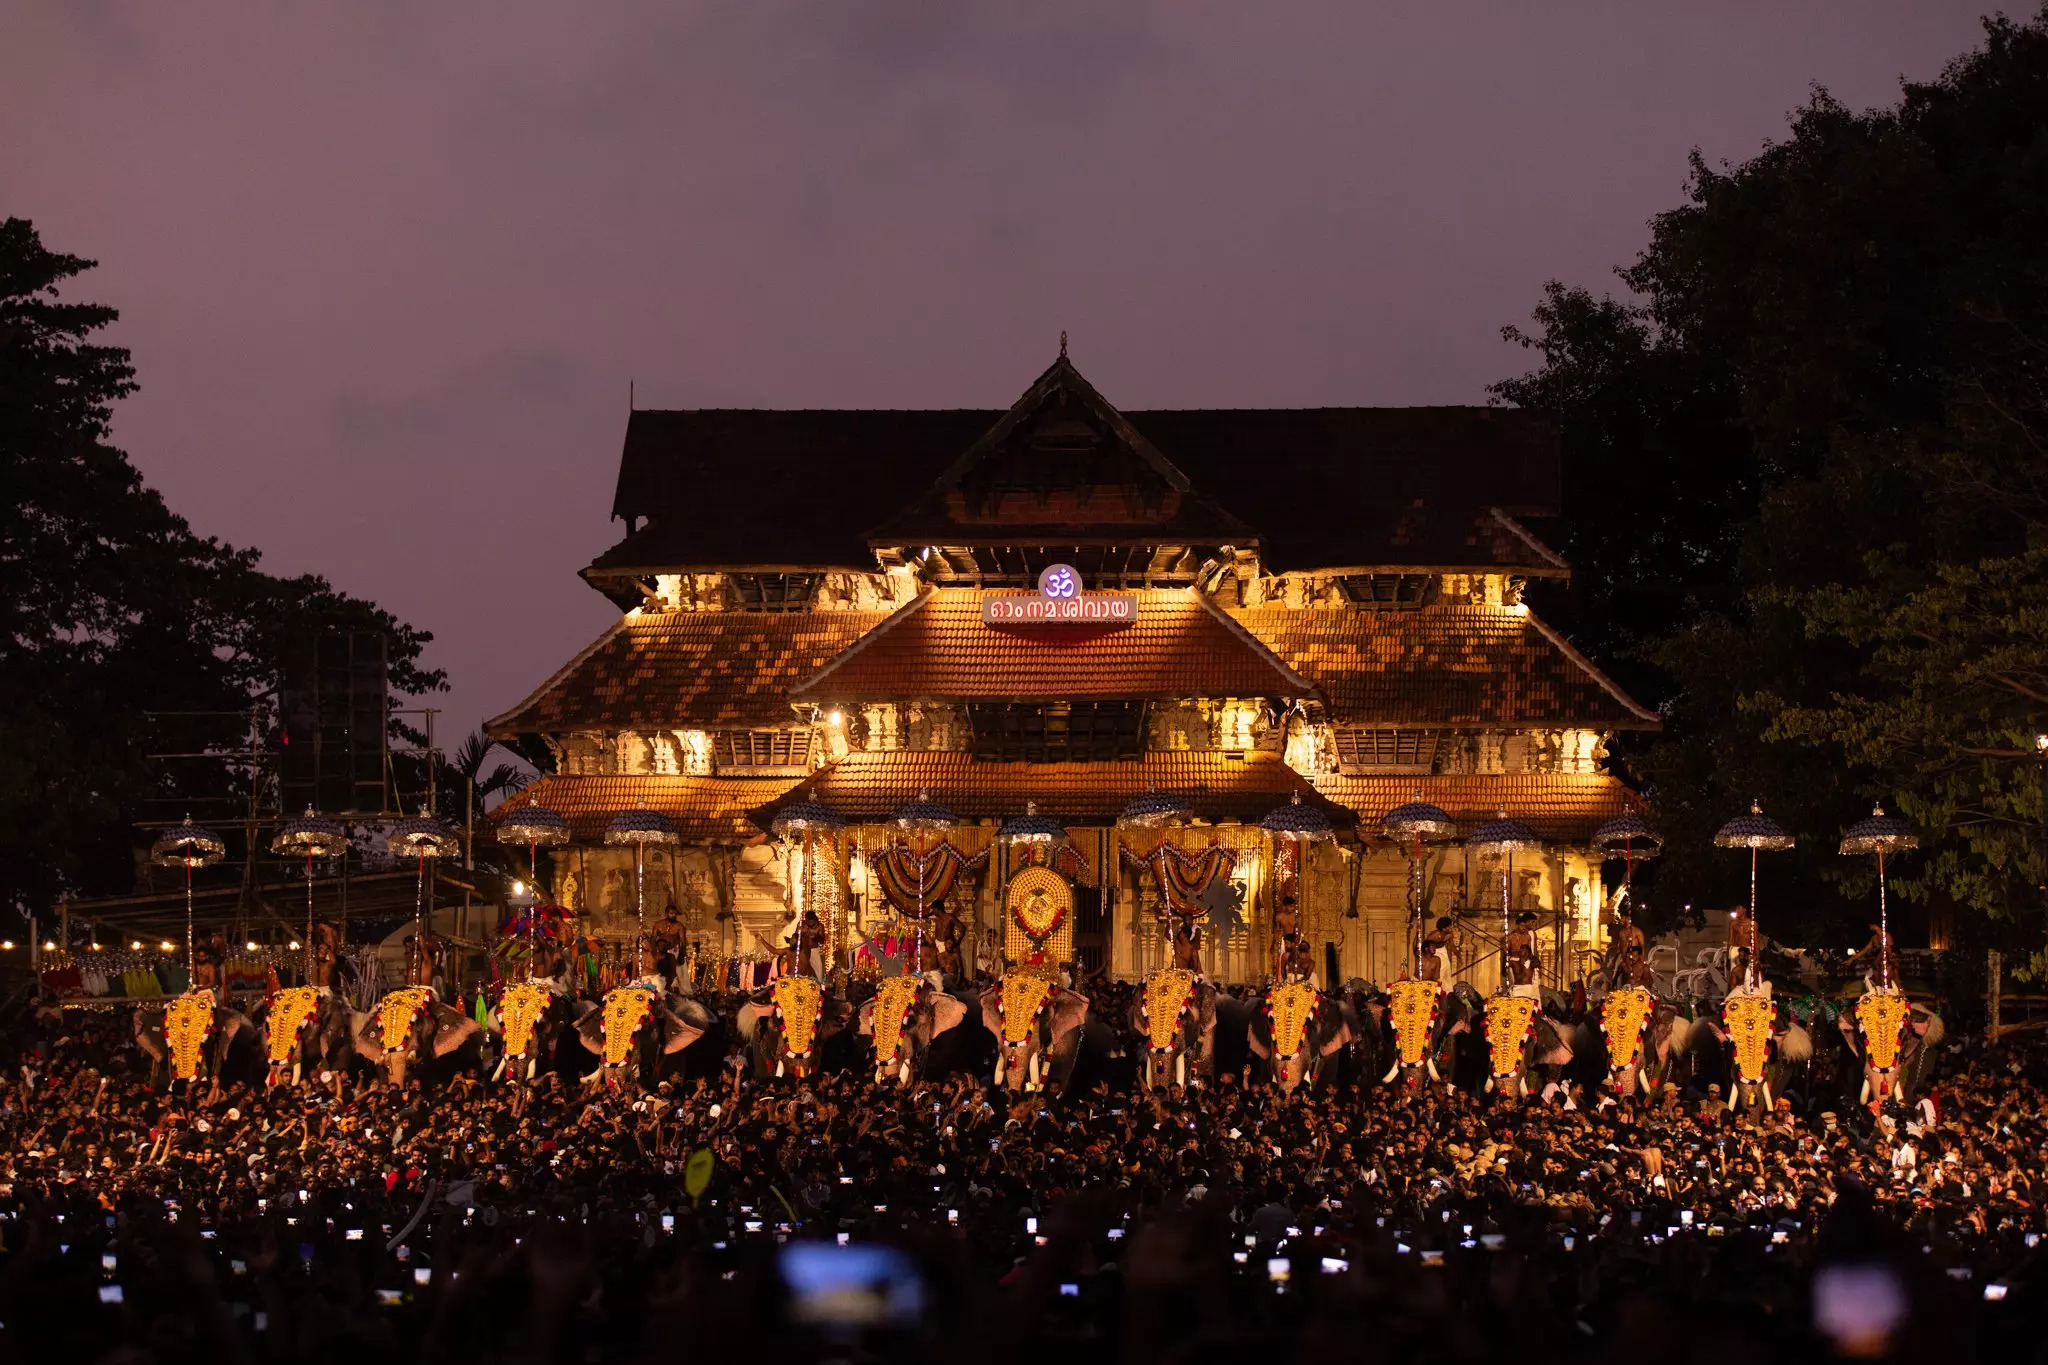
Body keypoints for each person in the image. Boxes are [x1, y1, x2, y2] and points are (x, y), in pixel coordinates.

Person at [1504, 913, 1540, 990]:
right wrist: (1505, 966)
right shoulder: (1510, 936)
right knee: (1514, 982)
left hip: (1525, 961)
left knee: (1527, 981)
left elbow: (1531, 950)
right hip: (1514, 960)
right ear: (1517, 925)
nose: (1523, 928)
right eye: (1521, 926)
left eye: (1524, 926)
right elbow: (1506, 952)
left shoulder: (1528, 936)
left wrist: (1535, 962)